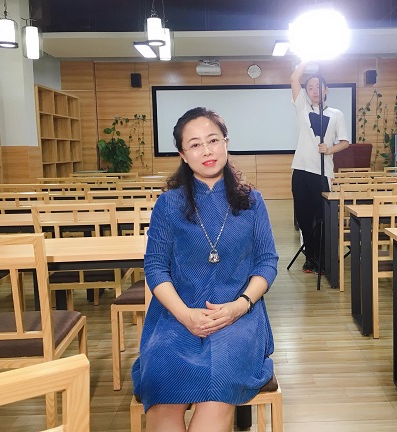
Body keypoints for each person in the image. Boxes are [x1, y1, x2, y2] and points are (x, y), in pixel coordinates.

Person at [131, 107, 279, 432]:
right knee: (162, 384)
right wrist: (185, 315)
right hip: (176, 315)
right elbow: (155, 267)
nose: (207, 150)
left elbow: (267, 262)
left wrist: (240, 306)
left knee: (218, 385)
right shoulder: (168, 204)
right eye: (195, 144)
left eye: (213, 140)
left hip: (238, 317)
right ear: (183, 155)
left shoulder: (252, 202)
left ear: (226, 143)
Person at [290, 61, 350, 273]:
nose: (315, 91)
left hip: (323, 172)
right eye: (310, 88)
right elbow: (294, 78)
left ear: (326, 90)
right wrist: (306, 59)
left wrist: (329, 149)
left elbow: (345, 141)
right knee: (304, 217)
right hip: (301, 170)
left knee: (321, 217)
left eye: (318, 86)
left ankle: (323, 258)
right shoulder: (302, 108)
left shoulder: (336, 114)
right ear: (307, 92)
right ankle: (311, 256)